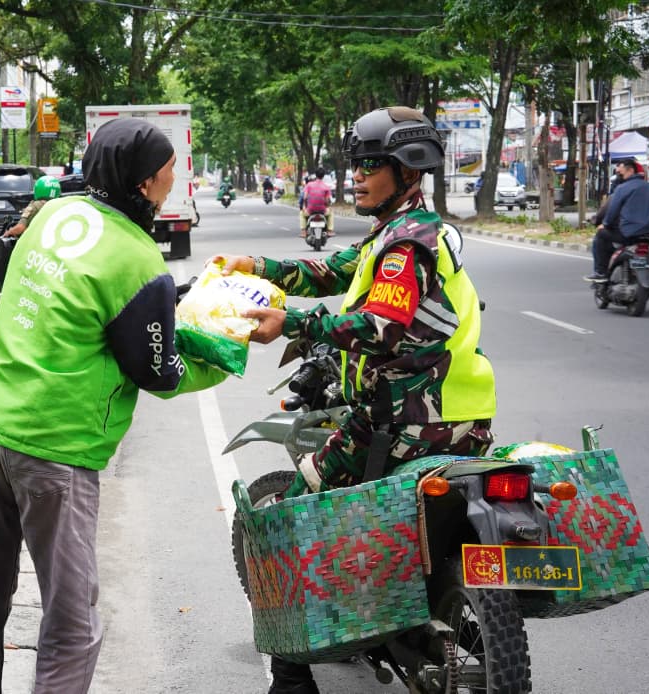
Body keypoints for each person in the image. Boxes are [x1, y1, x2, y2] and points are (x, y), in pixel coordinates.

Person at [211, 106, 496, 694]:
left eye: (371, 165)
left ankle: (291, 681)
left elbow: (379, 327)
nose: (358, 176)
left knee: (290, 517)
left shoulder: (407, 244)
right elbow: (334, 270)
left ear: (407, 172)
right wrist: (257, 266)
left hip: (400, 420)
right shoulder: (406, 234)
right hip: (461, 419)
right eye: (356, 164)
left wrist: (291, 323)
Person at [0, 118, 229, 694]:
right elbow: (158, 371)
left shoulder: (53, 214)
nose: (175, 176)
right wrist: (221, 359)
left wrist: (170, 300)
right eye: (170, 167)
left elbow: (30, 280)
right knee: (71, 625)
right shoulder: (137, 258)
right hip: (57, 448)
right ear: (148, 181)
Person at [586, 156, 649, 282]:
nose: (619, 176)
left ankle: (600, 272)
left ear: (630, 171)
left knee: (601, 235)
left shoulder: (621, 189)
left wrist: (605, 224)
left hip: (629, 235)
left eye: (620, 173)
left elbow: (611, 211)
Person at [0, 175, 63, 291]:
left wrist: (9, 232)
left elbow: (20, 227)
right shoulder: (60, 205)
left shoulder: (36, 205)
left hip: (34, 249)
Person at [299, 166, 334, 237]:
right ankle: (330, 231)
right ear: (323, 176)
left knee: (301, 213)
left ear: (316, 175)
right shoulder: (326, 187)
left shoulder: (309, 185)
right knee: (331, 213)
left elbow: (305, 197)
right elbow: (327, 201)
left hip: (310, 210)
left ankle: (303, 231)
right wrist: (327, 206)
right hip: (322, 211)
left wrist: (305, 207)